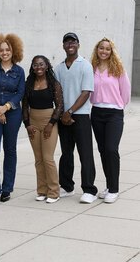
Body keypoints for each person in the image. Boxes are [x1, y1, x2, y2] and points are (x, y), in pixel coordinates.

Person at [54, 32, 98, 203]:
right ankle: (66, 186)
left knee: (85, 153)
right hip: (63, 117)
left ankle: (89, 190)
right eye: (67, 42)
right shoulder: (58, 68)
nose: (70, 44)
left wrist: (70, 112)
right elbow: (57, 94)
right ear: (63, 46)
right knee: (66, 153)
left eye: (73, 41)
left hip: (79, 116)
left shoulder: (85, 65)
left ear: (78, 44)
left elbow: (86, 92)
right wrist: (63, 114)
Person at [0, 33, 25, 203]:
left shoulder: (19, 71)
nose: (4, 52)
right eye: (1, 50)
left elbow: (20, 92)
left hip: (13, 113)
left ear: (13, 51)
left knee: (10, 150)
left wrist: (6, 108)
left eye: (7, 49)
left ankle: (7, 188)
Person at [90, 38, 131, 203]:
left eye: (107, 49)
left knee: (111, 149)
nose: (104, 51)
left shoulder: (118, 69)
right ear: (97, 49)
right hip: (97, 112)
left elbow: (126, 92)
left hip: (114, 113)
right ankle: (109, 185)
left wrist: (117, 104)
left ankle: (114, 189)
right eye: (101, 48)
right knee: (102, 150)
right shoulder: (92, 68)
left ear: (111, 51)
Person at [22, 55, 63, 203]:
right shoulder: (29, 84)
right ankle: (42, 190)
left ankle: (54, 192)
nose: (38, 67)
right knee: (38, 159)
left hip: (48, 121)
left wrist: (51, 124)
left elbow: (59, 106)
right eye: (35, 65)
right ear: (32, 67)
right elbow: (25, 106)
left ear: (47, 66)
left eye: (41, 64)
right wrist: (27, 125)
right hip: (33, 121)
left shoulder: (54, 84)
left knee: (48, 158)